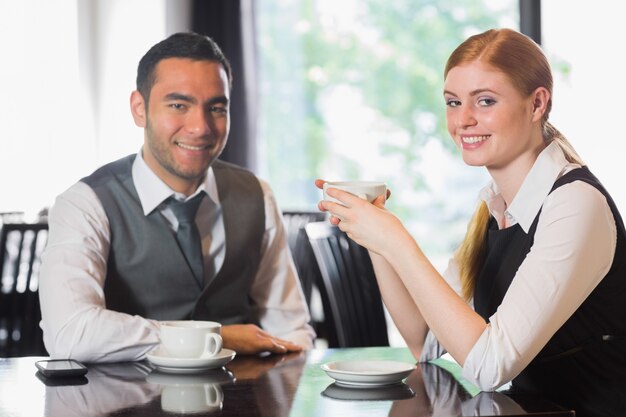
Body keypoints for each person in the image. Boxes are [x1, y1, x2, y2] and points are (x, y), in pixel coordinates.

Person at [318, 28, 626, 416]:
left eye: (485, 101)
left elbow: (489, 367)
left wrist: (398, 242)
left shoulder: (575, 204)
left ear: (537, 105)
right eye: (452, 101)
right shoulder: (493, 207)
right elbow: (424, 341)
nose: (463, 120)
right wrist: (379, 240)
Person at [39, 32, 315, 363]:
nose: (200, 127)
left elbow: (292, 329)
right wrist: (216, 337)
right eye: (178, 105)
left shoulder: (257, 195)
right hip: (123, 405)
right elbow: (70, 332)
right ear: (139, 109)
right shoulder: (84, 203)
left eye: (216, 108)